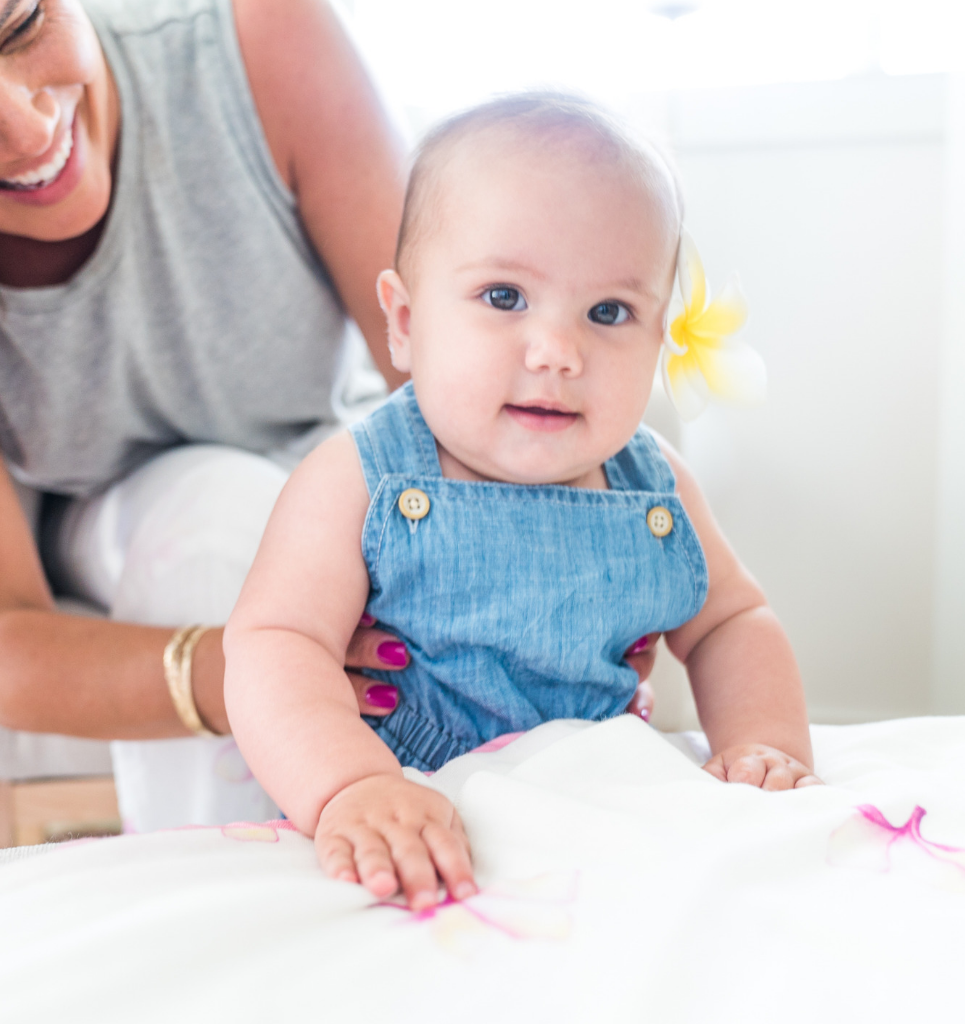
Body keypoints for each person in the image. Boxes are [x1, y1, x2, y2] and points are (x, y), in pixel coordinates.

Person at [0, 0, 656, 832]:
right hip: (114, 528)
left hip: (342, 472)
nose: (26, 130)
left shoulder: (261, 45)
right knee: (216, 511)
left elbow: (466, 378)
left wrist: (572, 578)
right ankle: (252, 931)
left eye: (20, 24)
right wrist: (263, 664)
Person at [223, 94, 820, 911]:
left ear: (657, 336)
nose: (558, 352)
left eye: (610, 312)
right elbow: (272, 642)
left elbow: (730, 622)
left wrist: (763, 743)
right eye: (504, 297)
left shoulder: (656, 486)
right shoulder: (358, 478)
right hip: (407, 815)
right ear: (403, 321)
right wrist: (347, 787)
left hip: (599, 815)